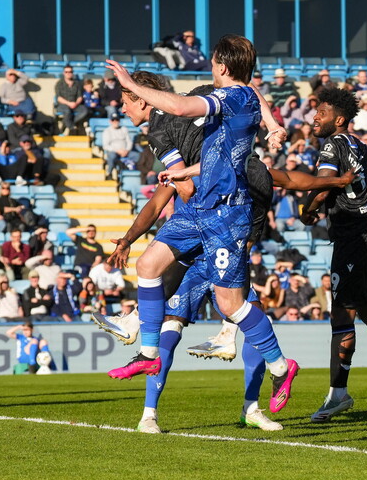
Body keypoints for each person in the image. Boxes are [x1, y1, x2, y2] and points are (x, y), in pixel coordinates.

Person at [106, 38, 300, 414]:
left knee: (231, 302)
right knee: (148, 266)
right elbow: (220, 153)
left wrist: (132, 84)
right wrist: (187, 171)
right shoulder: (240, 95)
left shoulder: (233, 98)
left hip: (228, 212)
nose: (210, 69)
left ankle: (281, 365)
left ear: (222, 67)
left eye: (213, 63)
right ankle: (147, 353)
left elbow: (178, 104)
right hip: (201, 205)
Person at [282, 87, 367, 423]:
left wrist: (308, 211)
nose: (314, 118)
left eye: (320, 113)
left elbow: (323, 185)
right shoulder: (357, 143)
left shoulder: (332, 145)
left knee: (341, 315)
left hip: (354, 236)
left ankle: (338, 394)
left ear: (338, 119)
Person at [54, 65, 88, 134]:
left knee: (84, 110)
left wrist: (76, 103)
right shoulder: (59, 84)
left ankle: (66, 123)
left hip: (75, 105)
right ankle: (71, 127)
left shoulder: (77, 84)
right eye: (66, 72)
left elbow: (80, 97)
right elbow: (58, 98)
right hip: (63, 105)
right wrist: (68, 103)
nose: (69, 73)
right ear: (64, 73)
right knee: (67, 110)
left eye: (70, 72)